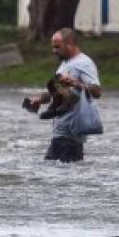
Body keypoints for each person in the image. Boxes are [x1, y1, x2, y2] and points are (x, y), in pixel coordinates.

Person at [25, 28, 102, 162]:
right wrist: (38, 99)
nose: (54, 51)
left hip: (70, 136)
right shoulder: (64, 64)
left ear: (70, 44)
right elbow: (53, 92)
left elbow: (97, 91)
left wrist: (75, 83)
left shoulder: (84, 63)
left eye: (57, 47)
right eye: (53, 47)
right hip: (60, 134)